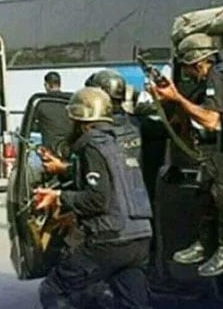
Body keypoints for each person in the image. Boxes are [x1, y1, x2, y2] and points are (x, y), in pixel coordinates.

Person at [35, 87, 153, 309]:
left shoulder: (91, 144)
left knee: (55, 289)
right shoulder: (120, 142)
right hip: (140, 238)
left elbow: (97, 199)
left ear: (82, 123)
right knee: (133, 303)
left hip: (111, 239)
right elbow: (114, 186)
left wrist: (59, 196)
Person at [150, 33, 223, 277]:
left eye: (187, 68)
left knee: (222, 187)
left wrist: (177, 97)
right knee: (205, 183)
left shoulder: (218, 75)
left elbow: (210, 120)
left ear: (198, 63)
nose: (187, 74)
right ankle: (205, 242)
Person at [33, 71, 74, 150]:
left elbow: (32, 126)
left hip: (50, 149)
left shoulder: (42, 104)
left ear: (47, 85)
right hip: (71, 147)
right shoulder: (71, 101)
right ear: (60, 84)